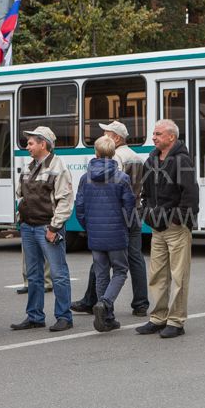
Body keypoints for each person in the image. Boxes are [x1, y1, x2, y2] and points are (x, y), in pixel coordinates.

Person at [71, 120, 149, 317]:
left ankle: (96, 302)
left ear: (116, 138)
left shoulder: (117, 157)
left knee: (102, 262)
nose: (103, 136)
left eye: (106, 133)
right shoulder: (136, 157)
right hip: (133, 212)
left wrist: (89, 223)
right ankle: (140, 303)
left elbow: (116, 193)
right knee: (135, 258)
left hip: (117, 216)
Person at [135, 119, 199, 339]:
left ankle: (176, 321)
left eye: (158, 134)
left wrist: (176, 219)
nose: (153, 137)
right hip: (156, 227)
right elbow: (144, 191)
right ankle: (158, 318)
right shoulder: (151, 159)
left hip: (176, 228)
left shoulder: (182, 160)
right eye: (153, 133)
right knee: (157, 275)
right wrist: (146, 213)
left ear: (171, 137)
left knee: (179, 276)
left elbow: (190, 195)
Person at [10, 126, 74, 332]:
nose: (27, 146)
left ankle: (64, 317)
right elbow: (20, 194)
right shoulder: (30, 166)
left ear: (43, 144)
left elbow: (65, 200)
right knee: (34, 274)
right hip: (29, 227)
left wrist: (54, 227)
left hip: (47, 228)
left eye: (30, 143)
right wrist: (21, 218)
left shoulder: (58, 167)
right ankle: (35, 316)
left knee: (58, 273)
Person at [75, 136, 135, 332]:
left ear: (96, 152)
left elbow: (80, 208)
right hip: (116, 232)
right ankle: (106, 304)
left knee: (101, 275)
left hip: (95, 234)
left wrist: (88, 227)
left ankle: (107, 318)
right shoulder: (122, 178)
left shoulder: (85, 178)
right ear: (112, 153)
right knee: (120, 271)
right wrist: (126, 227)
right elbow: (129, 207)